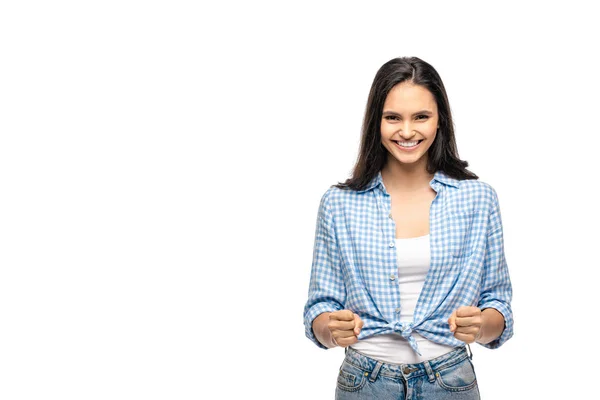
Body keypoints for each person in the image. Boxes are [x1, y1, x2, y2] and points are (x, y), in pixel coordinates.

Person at [302, 56, 514, 399]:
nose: (406, 131)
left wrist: (481, 325)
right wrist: (330, 329)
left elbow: (498, 305)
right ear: (376, 123)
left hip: (450, 380)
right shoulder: (338, 204)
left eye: (421, 117)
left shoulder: (478, 199)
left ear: (439, 121)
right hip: (364, 382)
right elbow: (319, 308)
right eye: (392, 118)